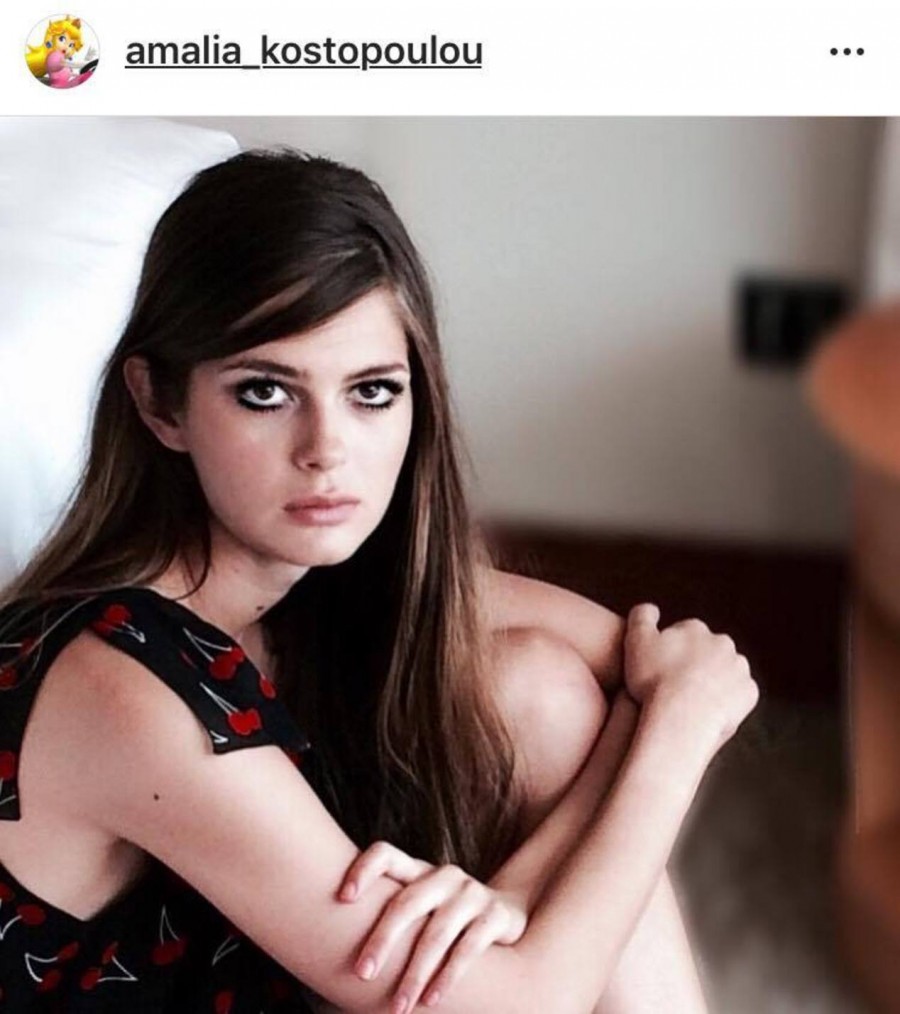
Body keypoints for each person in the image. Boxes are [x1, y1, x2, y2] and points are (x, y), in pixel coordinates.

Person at [0, 149, 758, 1012]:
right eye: (265, 393)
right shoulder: (123, 684)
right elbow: (523, 1003)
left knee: (544, 695)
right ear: (159, 403)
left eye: (371, 392)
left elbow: (642, 662)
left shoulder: (302, 580)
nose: (327, 449)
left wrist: (516, 891)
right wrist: (678, 738)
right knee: (622, 754)